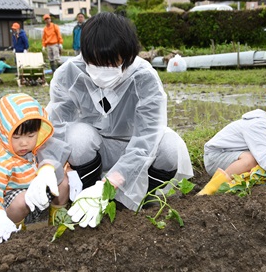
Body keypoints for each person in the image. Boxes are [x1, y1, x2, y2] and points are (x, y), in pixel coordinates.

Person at [37, 12, 194, 228]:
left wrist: (110, 184)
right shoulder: (69, 74)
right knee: (77, 137)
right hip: (97, 147)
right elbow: (57, 126)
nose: (103, 71)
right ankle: (86, 197)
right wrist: (47, 167)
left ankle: (144, 203)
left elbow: (147, 138)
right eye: (95, 63)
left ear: (128, 57)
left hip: (135, 151)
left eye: (112, 64)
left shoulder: (144, 77)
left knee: (169, 147)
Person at [0, 93, 70, 243]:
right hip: (16, 204)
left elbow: (58, 162)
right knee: (21, 201)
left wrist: (69, 172)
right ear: (5, 133)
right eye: (17, 137)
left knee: (63, 181)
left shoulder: (41, 144)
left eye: (30, 136)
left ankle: (57, 221)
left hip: (42, 198)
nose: (24, 143)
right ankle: (16, 233)